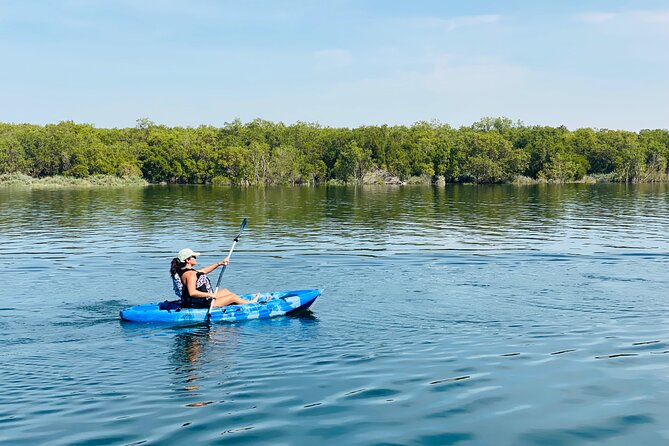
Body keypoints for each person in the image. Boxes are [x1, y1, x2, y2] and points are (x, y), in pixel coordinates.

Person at [170, 248, 260, 308]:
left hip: (196, 301)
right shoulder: (190, 274)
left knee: (226, 291)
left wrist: (219, 263)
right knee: (232, 297)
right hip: (201, 303)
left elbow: (203, 271)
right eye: (193, 256)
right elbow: (192, 292)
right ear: (187, 260)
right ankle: (251, 303)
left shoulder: (184, 271)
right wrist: (211, 295)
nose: (195, 258)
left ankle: (242, 301)